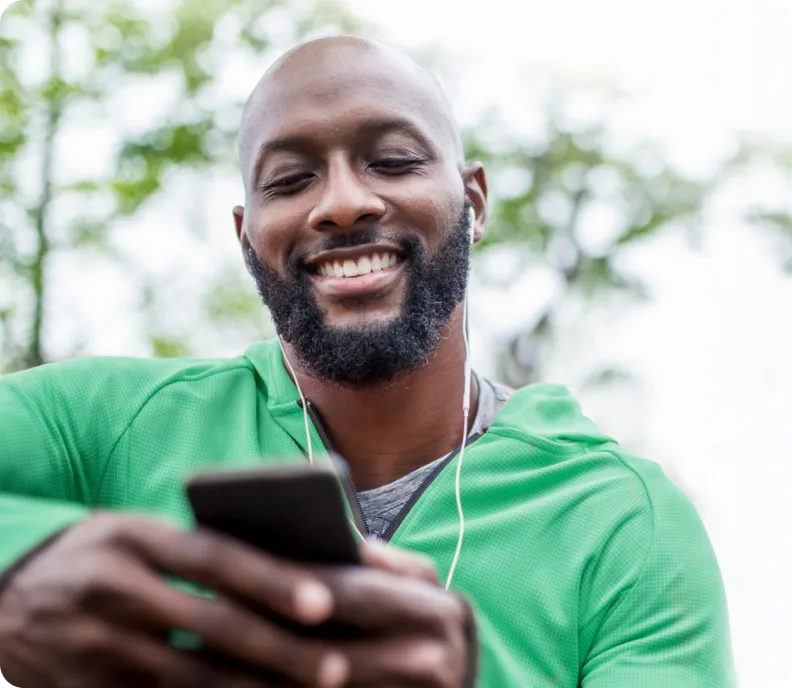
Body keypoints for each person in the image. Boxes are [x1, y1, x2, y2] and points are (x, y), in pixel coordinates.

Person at [0, 35, 735, 687]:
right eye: (290, 181)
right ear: (246, 236)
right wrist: (15, 586)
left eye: (393, 161)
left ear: (474, 202)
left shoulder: (622, 525)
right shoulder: (99, 427)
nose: (344, 203)